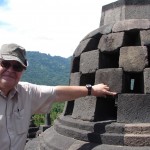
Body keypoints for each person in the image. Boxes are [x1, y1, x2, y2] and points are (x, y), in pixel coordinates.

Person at [0, 43, 117, 150]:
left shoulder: (26, 92)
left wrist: (92, 90)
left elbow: (57, 93)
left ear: (23, 70)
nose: (10, 70)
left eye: (17, 67)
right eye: (5, 64)